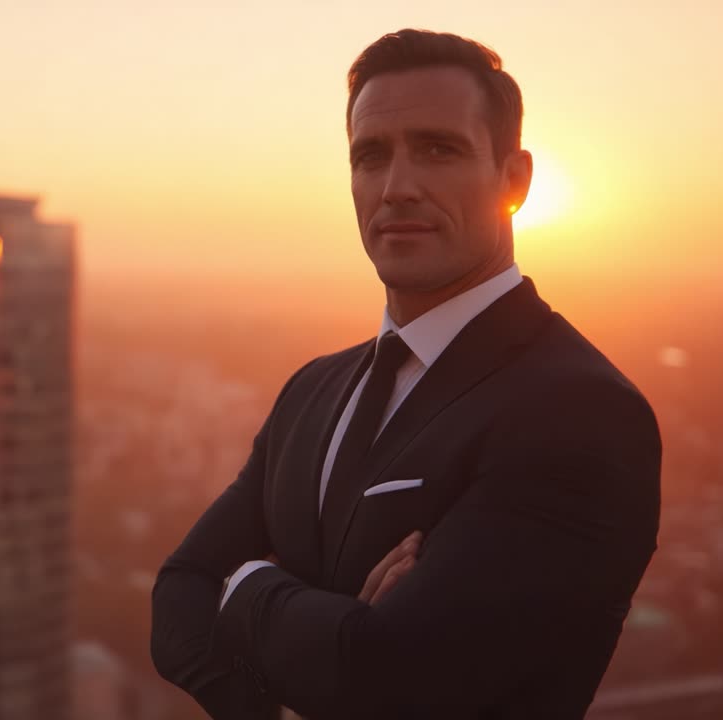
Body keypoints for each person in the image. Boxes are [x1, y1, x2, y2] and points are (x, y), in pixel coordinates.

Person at [149, 29, 661, 720]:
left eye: (438, 149)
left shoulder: (580, 410)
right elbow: (177, 597)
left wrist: (244, 586)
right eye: (370, 157)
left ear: (514, 181)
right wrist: (318, 659)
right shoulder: (312, 391)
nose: (396, 188)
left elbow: (394, 676)